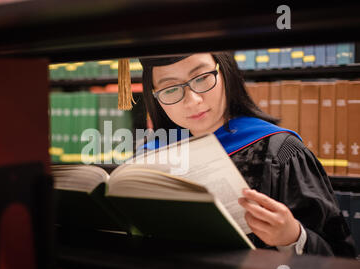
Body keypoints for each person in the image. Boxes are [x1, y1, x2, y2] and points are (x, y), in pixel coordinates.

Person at [137, 52, 357, 258]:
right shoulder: (152, 159)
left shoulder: (281, 152)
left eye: (202, 78)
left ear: (225, 72)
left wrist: (293, 237)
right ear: (155, 96)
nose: (192, 100)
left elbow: (341, 259)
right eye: (171, 88)